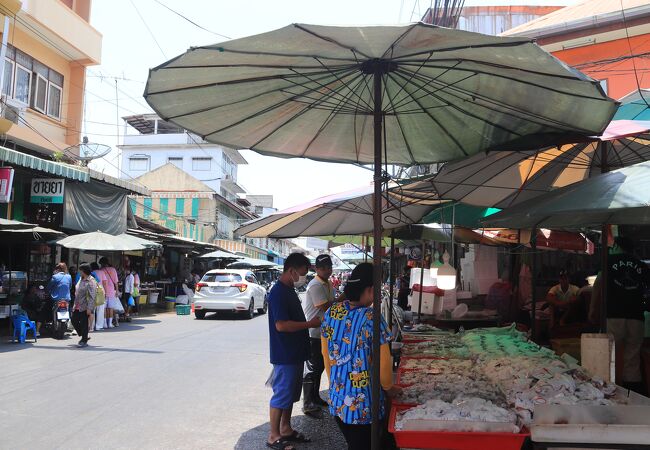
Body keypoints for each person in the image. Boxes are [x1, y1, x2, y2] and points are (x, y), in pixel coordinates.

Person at [321, 263, 401, 450]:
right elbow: (384, 362)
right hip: (364, 405)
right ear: (370, 289)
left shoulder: (331, 312)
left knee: (354, 444)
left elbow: (326, 354)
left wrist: (337, 384)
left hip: (338, 399)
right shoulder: (372, 318)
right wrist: (389, 388)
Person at [266, 253, 320, 450]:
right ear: (291, 271)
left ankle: (286, 428)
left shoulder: (289, 290)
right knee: (281, 394)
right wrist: (310, 324)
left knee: (290, 394)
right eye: (303, 273)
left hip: (295, 352)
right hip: (285, 353)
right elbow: (281, 325)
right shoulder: (278, 292)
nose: (303, 278)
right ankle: (273, 435)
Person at [590, 236, 649, 392]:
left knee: (610, 355)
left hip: (614, 315)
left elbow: (598, 285)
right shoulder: (641, 265)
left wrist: (592, 310)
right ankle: (632, 394)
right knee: (632, 357)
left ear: (616, 246)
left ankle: (610, 391)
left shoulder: (609, 260)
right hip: (636, 317)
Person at [302, 254, 336, 417]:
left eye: (329, 267)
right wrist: (342, 299)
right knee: (313, 368)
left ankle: (315, 397)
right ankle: (308, 403)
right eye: (323, 268)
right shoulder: (315, 284)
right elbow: (324, 306)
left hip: (323, 332)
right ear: (316, 269)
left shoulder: (327, 283)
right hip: (313, 333)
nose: (327, 270)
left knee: (321, 366)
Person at [73, 263, 97, 348]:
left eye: (81, 270)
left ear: (84, 271)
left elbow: (92, 295)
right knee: (74, 320)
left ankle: (84, 340)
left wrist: (89, 308)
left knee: (84, 323)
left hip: (85, 305)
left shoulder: (91, 281)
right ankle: (84, 335)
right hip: (77, 304)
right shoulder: (81, 279)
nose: (79, 272)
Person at [98, 257, 120, 329]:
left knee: (104, 308)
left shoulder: (101, 270)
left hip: (103, 291)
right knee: (110, 308)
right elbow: (116, 282)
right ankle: (109, 323)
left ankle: (104, 323)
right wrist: (117, 290)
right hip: (111, 291)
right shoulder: (113, 269)